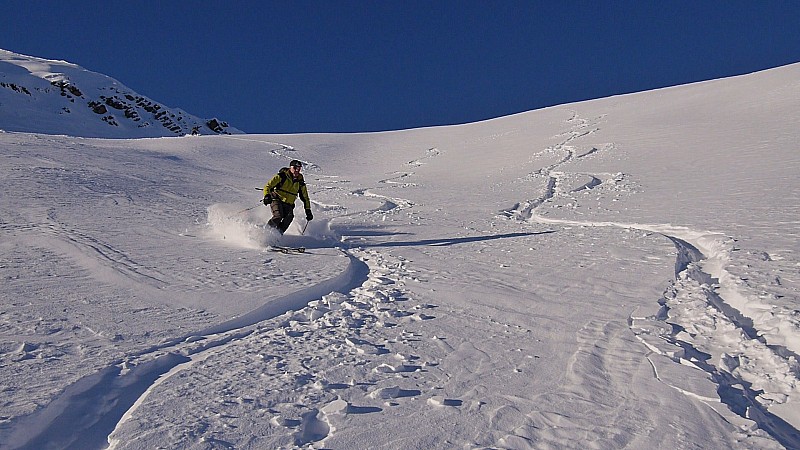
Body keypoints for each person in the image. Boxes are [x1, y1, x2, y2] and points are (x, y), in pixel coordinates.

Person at [263, 160, 313, 234]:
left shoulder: (300, 182)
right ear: (290, 167)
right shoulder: (282, 176)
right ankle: (264, 233)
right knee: (278, 216)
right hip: (277, 199)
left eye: (299, 169)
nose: (297, 170)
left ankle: (277, 235)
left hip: (288, 204)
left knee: (289, 217)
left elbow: (305, 198)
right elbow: (268, 186)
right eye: (295, 168)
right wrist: (267, 195)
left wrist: (308, 210)